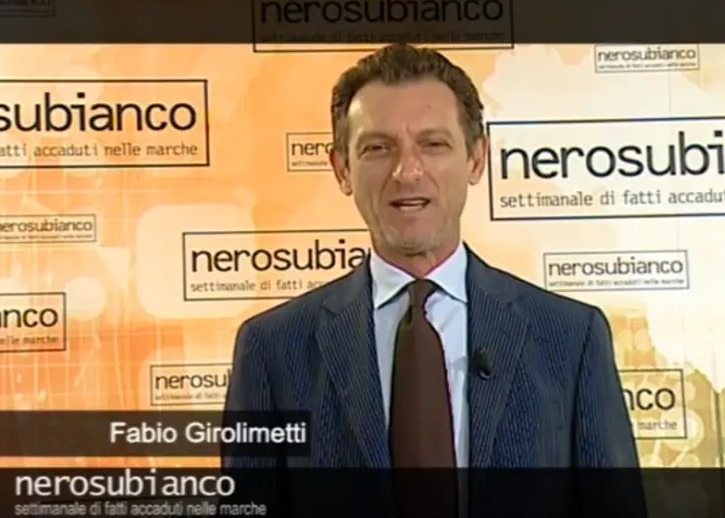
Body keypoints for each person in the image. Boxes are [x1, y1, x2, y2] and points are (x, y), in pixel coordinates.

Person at [222, 43, 646, 517]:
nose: (407, 171)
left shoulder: (570, 338)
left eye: (433, 144)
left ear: (476, 159)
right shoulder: (273, 349)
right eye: (378, 148)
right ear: (342, 169)